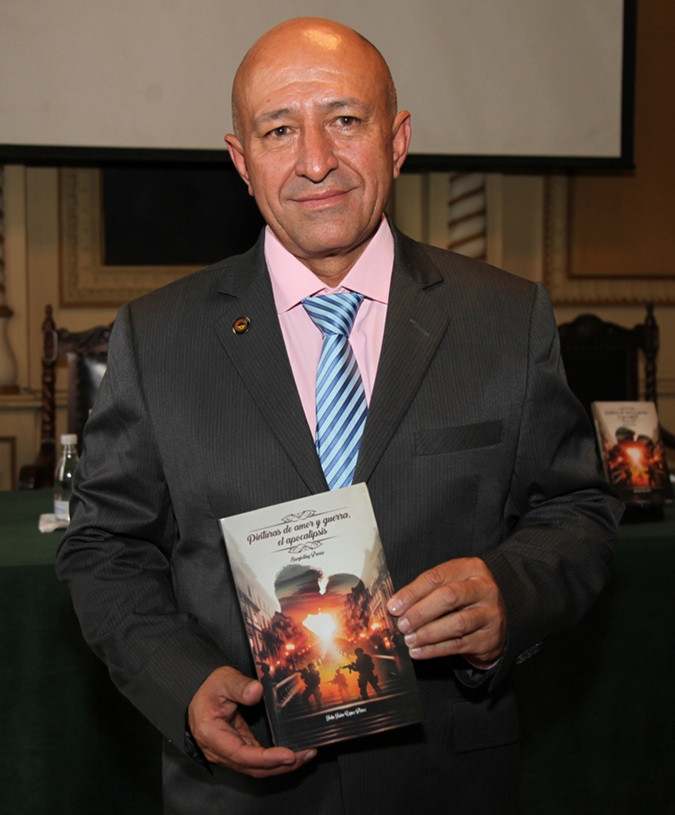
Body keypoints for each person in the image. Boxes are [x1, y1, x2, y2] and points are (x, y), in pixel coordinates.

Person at [55, 16, 623, 815]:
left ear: (397, 140)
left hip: (444, 781)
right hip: (241, 789)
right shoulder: (158, 336)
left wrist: (511, 591)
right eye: (279, 130)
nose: (315, 160)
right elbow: (105, 545)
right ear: (241, 160)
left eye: (345, 120)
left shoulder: (503, 319)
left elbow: (578, 510)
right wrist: (182, 683)